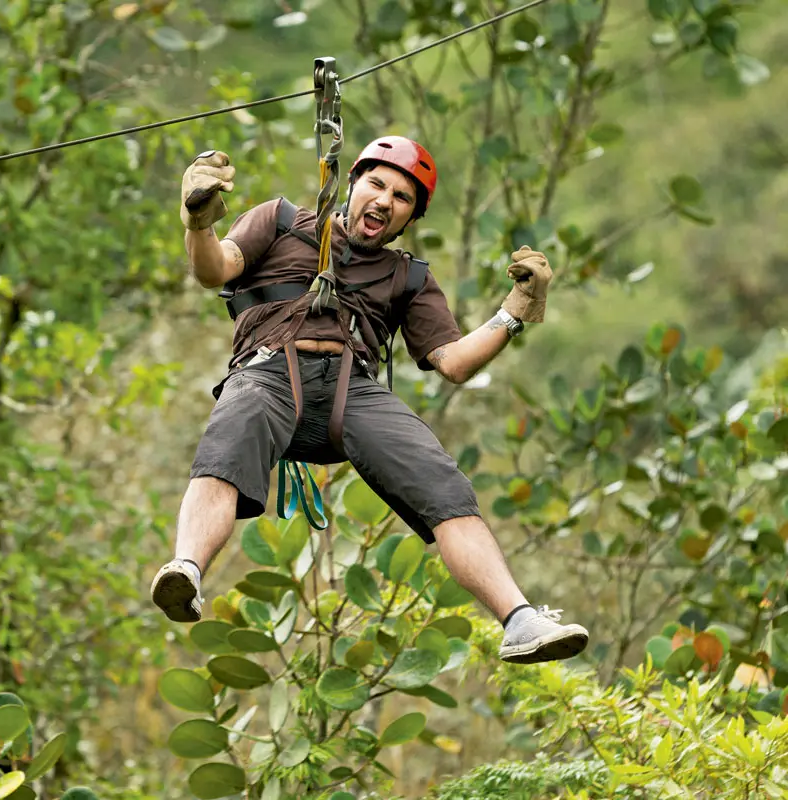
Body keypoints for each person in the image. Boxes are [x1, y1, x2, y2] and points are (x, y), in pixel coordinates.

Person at [149, 136, 590, 664]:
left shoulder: (408, 277)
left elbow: (453, 362)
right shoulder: (281, 221)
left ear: (408, 218)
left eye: (401, 198)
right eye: (377, 184)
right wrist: (199, 220)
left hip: (351, 392)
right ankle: (187, 571)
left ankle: (520, 620)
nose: (384, 201)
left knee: (444, 485)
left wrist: (513, 311)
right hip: (268, 372)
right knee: (227, 444)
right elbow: (213, 269)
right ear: (352, 183)